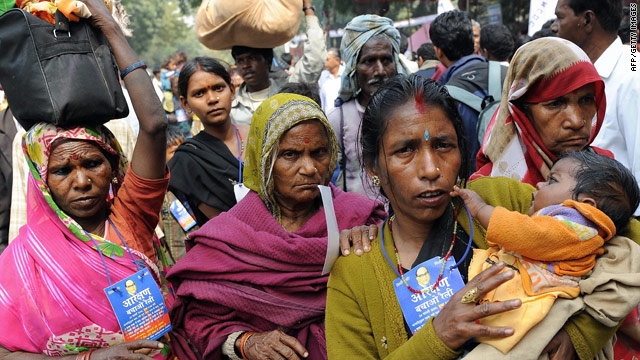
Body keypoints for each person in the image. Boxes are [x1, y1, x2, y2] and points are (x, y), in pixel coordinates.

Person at [327, 74, 640, 360]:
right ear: (373, 167)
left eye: (443, 146)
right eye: (405, 150)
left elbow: (624, 236)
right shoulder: (356, 271)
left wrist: (580, 333)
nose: (431, 170)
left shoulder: (497, 201)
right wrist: (438, 338)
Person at [0, 0, 171, 357]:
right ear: (41, 180)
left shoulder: (131, 219)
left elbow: (154, 125)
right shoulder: (22, 260)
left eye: (93, 164)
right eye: (62, 170)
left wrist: (109, 28)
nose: (81, 181)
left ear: (113, 166)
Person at [167, 93, 386, 359]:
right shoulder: (228, 235)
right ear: (264, 161)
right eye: (290, 155)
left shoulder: (360, 217)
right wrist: (245, 342)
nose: (309, 168)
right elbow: (199, 317)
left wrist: (371, 247)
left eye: (319, 153)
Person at [452, 151, 640, 353]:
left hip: (538, 313)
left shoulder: (574, 228)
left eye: (552, 181)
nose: (539, 186)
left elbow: (526, 233)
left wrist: (481, 208)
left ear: (585, 206)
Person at [473, 37, 612, 186]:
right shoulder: (488, 190)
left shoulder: (609, 174)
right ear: (520, 110)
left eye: (586, 100)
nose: (577, 121)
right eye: (556, 103)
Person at [551, 0, 640, 216]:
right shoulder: (576, 73)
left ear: (588, 20)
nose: (554, 26)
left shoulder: (632, 76)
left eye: (560, 17)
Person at [327, 14, 410, 197]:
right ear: (353, 67)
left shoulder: (411, 114)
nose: (380, 71)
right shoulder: (338, 119)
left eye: (386, 61)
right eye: (369, 61)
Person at [168, 57, 247, 226]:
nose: (212, 99)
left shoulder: (261, 135)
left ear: (232, 91)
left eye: (218, 88)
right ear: (185, 103)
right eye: (199, 93)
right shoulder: (187, 161)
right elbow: (225, 224)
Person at [430, 10, 507, 173]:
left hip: (477, 189)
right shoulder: (509, 73)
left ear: (438, 51)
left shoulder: (442, 98)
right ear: (473, 42)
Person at [230, 0, 326, 126]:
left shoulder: (290, 90)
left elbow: (316, 57)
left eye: (252, 58)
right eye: (240, 61)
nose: (246, 65)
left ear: (268, 61)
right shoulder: (232, 110)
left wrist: (307, 8)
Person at [318, 48, 344, 113]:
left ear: (337, 60)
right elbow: (322, 99)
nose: (325, 62)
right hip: (327, 118)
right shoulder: (323, 75)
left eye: (327, 59)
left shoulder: (346, 74)